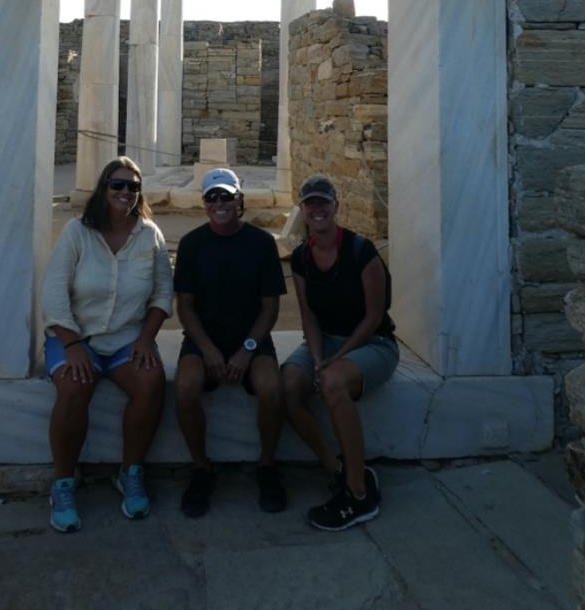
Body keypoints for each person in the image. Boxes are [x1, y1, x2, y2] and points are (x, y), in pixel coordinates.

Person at [41, 156, 173, 532]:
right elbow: (53, 291)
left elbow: (163, 291)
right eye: (117, 184)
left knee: (150, 382)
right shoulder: (76, 233)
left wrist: (147, 339)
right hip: (75, 336)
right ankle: (64, 482)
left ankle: (130, 473)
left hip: (126, 340)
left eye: (133, 186)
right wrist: (71, 344)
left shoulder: (150, 235)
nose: (125, 192)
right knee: (73, 384)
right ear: (103, 188)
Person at [282, 175, 398, 532]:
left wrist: (335, 359)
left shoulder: (361, 252)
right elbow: (310, 317)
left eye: (323, 202)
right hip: (327, 343)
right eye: (310, 203)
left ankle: (358, 494)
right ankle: (339, 469)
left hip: (371, 343)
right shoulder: (301, 258)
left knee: (332, 384)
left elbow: (374, 316)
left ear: (336, 207)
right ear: (302, 210)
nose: (317, 209)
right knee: (286, 385)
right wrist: (317, 358)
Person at [173, 167, 288, 517]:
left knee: (271, 387)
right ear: (204, 204)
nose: (219, 203)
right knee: (185, 386)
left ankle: (267, 466)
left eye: (226, 196)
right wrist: (207, 349)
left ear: (240, 200)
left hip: (251, 340)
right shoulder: (192, 244)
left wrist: (246, 351)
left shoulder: (262, 243)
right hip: (203, 339)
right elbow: (186, 307)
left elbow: (270, 308)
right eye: (212, 197)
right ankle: (201, 467)